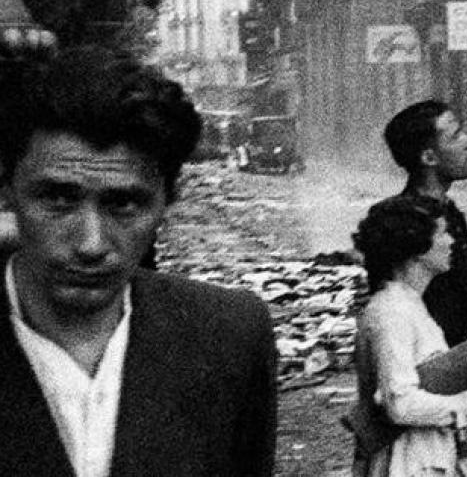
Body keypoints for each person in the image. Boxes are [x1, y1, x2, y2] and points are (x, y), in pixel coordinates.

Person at [0, 46, 278, 477]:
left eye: (124, 204)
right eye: (58, 199)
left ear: (169, 200)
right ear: (7, 190)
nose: (91, 244)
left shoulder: (229, 338)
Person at [382, 99, 467, 475]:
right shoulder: (400, 225)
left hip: (462, 392)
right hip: (430, 405)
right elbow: (396, 324)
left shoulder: (449, 215)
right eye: (455, 135)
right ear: (429, 158)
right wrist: (465, 389)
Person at [351, 195, 467, 476]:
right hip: (403, 465)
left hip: (423, 461)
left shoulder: (410, 305)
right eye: (442, 233)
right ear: (416, 247)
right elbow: (400, 405)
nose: (451, 242)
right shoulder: (392, 311)